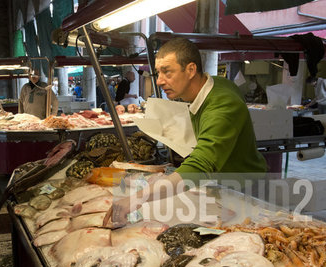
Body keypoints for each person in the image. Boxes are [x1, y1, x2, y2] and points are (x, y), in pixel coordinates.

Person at [105, 37, 267, 227]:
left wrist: (135, 199)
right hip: (221, 183)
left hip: (244, 189)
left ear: (190, 70)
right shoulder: (212, 86)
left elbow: (201, 165)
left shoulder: (223, 103)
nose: (159, 81)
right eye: (158, 73)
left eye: (167, 72)